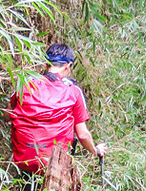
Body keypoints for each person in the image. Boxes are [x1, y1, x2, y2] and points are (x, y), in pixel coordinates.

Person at [8, 42, 107, 179]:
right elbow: (83, 135)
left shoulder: (25, 84)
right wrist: (95, 150)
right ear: (68, 65)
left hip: (24, 160)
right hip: (55, 165)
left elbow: (8, 115)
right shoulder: (73, 91)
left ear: (45, 65)